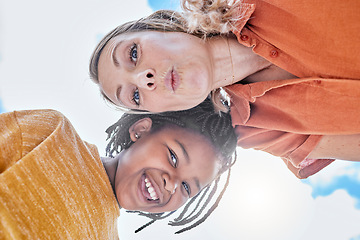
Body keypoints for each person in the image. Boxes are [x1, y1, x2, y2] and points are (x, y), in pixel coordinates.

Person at [89, 0, 360, 178]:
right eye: (135, 96)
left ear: (161, 27)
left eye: (133, 54)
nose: (144, 79)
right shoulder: (257, 131)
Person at [0, 99, 237, 239]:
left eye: (186, 186)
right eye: (173, 158)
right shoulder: (52, 133)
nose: (171, 184)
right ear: (141, 130)